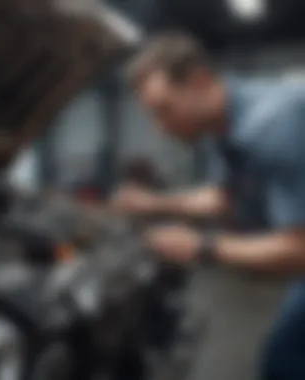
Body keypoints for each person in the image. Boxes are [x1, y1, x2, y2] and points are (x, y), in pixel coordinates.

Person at [111, 31, 305, 379]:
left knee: (286, 363)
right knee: (282, 360)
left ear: (199, 82)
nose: (160, 129)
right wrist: (152, 203)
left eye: (164, 110)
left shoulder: (275, 124)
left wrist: (202, 246)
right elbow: (224, 197)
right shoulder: (224, 124)